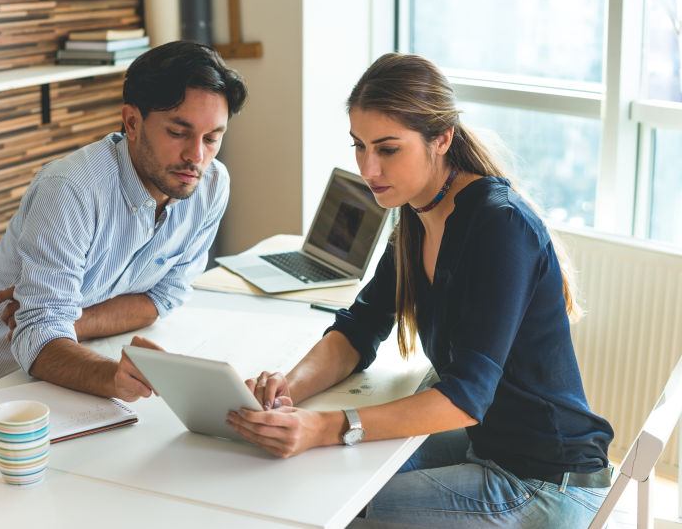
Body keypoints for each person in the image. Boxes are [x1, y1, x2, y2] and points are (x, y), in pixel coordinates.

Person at [226, 53, 613, 528]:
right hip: (487, 443)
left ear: (441, 139)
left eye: (388, 149)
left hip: (543, 482)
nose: (369, 168)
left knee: (339, 505)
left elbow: (464, 397)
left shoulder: (498, 226)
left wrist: (323, 426)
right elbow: (360, 327)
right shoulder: (415, 213)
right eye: (359, 146)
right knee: (320, 470)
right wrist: (290, 391)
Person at [0, 40, 248, 407]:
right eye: (178, 133)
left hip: (67, 362)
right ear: (131, 121)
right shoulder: (70, 190)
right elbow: (40, 339)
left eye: (212, 138)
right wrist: (109, 374)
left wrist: (68, 324)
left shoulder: (210, 185)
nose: (196, 156)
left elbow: (164, 297)